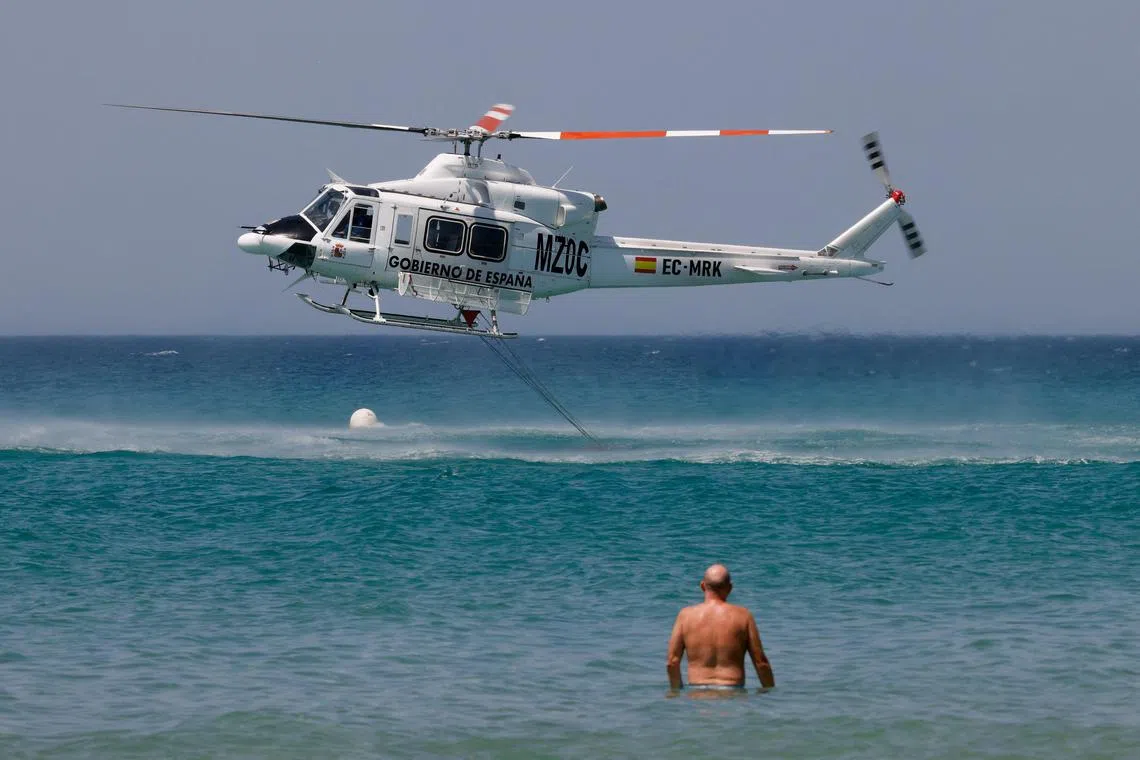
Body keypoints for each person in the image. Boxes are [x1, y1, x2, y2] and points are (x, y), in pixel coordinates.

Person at [666, 564, 775, 690]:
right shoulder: (744, 616)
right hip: (732, 692)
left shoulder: (685, 616)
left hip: (697, 695)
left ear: (702, 586)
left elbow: (672, 662)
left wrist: (677, 692)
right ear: (730, 588)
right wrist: (771, 695)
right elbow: (761, 662)